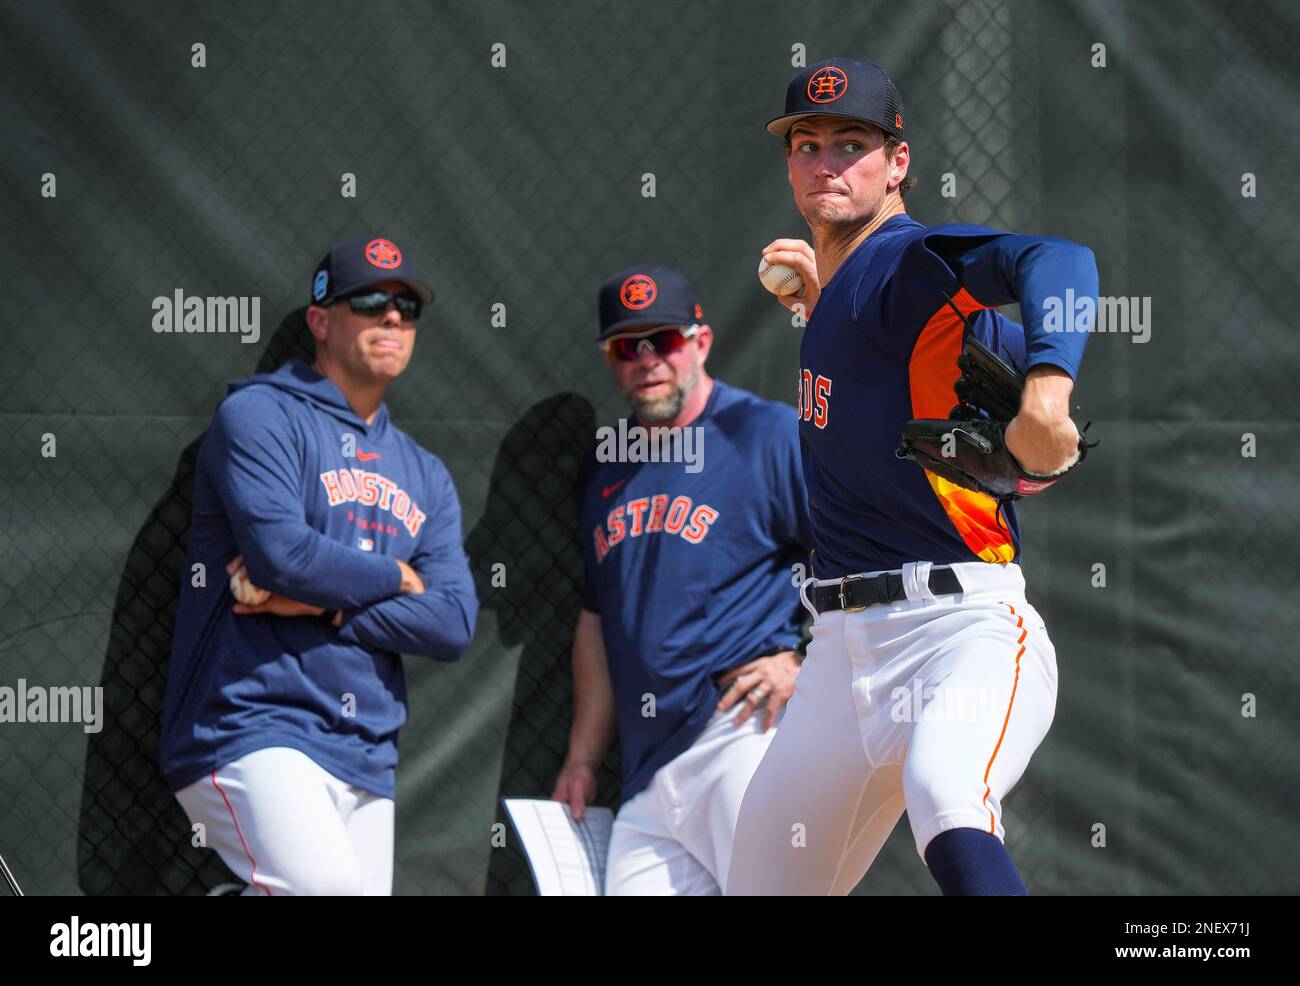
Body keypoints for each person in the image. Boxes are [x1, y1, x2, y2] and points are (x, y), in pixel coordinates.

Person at [727, 59, 1097, 896]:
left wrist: (1047, 384)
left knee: (947, 796)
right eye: (808, 144)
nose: (828, 161)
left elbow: (1062, 261)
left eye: (853, 143)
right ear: (788, 165)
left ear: (898, 163)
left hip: (959, 632)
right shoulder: (843, 293)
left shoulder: (908, 260)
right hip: (835, 659)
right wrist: (822, 307)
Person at [160, 236, 478, 895]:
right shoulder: (259, 414)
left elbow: (451, 622)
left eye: (406, 306)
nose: (391, 317)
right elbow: (283, 555)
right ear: (320, 320)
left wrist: (330, 604)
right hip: (250, 721)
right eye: (368, 300)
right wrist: (397, 578)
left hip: (367, 749)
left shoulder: (426, 472)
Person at [550, 265, 812, 895]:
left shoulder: (766, 433)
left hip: (741, 734)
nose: (646, 360)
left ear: (701, 342)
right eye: (625, 346)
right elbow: (596, 619)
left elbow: (854, 558)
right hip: (646, 773)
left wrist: (805, 662)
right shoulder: (604, 467)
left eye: (662, 339)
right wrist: (584, 758)